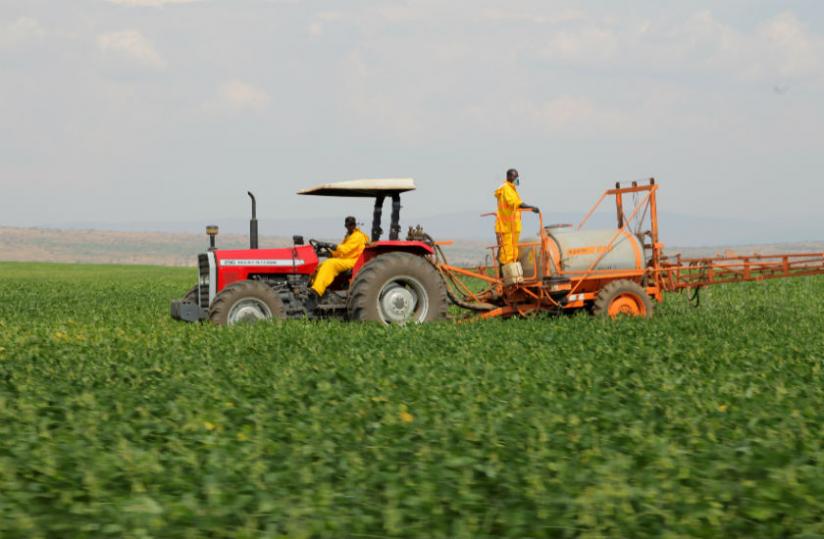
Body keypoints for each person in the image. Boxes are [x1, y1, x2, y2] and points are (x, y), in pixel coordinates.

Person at [307, 216, 369, 308]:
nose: (351, 226)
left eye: (352, 224)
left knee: (330, 264)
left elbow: (345, 249)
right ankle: (310, 285)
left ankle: (316, 291)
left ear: (355, 225)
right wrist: (328, 251)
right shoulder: (349, 236)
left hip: (353, 261)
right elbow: (339, 252)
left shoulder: (358, 236)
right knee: (321, 265)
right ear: (346, 226)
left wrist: (329, 245)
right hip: (346, 259)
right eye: (349, 225)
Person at [494, 168, 539, 265]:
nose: (517, 178)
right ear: (509, 177)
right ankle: (507, 276)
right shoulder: (506, 189)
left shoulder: (512, 189)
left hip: (512, 227)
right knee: (507, 253)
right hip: (506, 227)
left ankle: (512, 274)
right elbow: (517, 204)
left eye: (517, 176)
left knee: (513, 252)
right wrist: (531, 208)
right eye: (515, 176)